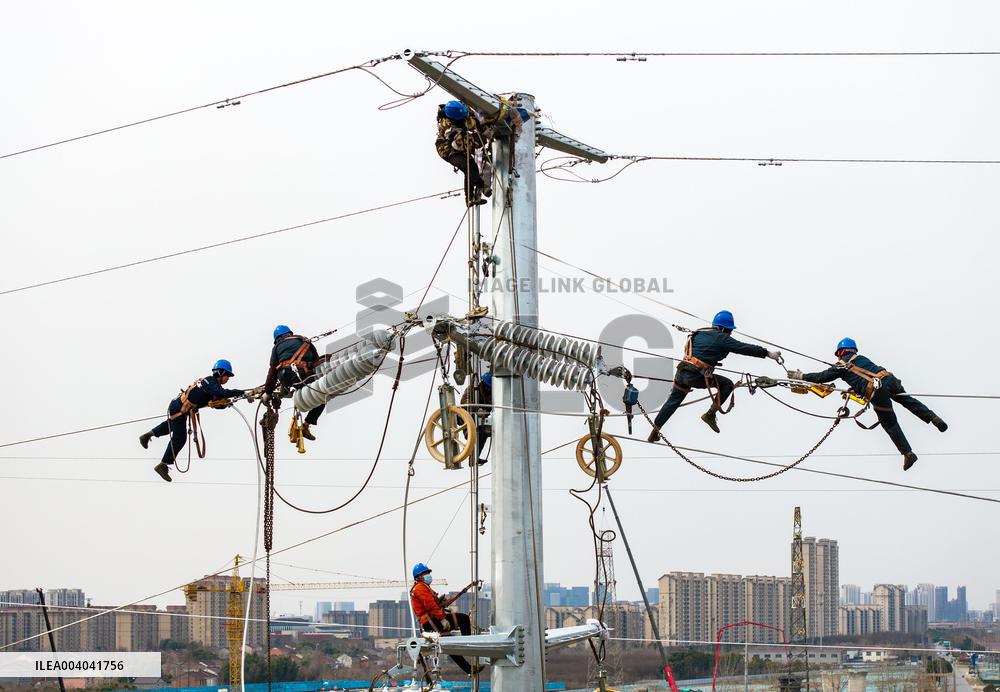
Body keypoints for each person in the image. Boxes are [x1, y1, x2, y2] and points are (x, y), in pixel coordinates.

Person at [789, 337, 947, 471]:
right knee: (908, 400)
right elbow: (861, 376)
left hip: (877, 390)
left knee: (889, 423)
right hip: (889, 379)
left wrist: (801, 376)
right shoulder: (862, 359)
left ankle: (907, 453)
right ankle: (933, 418)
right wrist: (856, 387)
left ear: (841, 352)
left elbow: (821, 377)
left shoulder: (841, 366)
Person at [648, 310, 782, 440]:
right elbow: (743, 347)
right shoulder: (722, 338)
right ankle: (710, 414)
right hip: (695, 376)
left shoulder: (699, 333)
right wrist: (767, 353)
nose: (730, 333)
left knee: (673, 402)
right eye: (730, 330)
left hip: (681, 372)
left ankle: (655, 430)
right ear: (724, 329)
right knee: (727, 384)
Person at [139, 359, 245, 482]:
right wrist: (239, 392)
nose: (228, 379)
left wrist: (226, 404)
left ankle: (147, 435)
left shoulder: (213, 386)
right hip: (179, 407)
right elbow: (221, 393)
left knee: (172, 426)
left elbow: (215, 403)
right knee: (180, 438)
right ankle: (163, 465)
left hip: (178, 407)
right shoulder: (209, 382)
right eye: (227, 376)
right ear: (220, 373)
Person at [409, 562, 478, 675]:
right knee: (464, 619)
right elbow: (430, 605)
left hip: (432, 620)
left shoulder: (424, 587)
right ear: (419, 576)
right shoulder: (420, 588)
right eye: (426, 573)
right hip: (432, 621)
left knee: (451, 642)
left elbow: (432, 604)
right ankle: (467, 645)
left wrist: (440, 603)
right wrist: (442, 619)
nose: (428, 575)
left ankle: (468, 667)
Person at [264, 325, 325, 440]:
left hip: (286, 377)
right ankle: (306, 425)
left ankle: (284, 388)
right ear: (290, 333)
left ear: (277, 339)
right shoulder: (305, 341)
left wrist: (268, 392)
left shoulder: (277, 347)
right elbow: (316, 362)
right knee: (321, 397)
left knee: (284, 375)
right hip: (306, 376)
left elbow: (272, 371)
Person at [435, 100, 494, 206]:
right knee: (467, 166)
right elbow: (469, 144)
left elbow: (472, 116)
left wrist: (482, 126)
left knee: (472, 167)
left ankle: (470, 199)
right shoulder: (449, 128)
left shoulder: (460, 107)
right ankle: (482, 186)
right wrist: (484, 136)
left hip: (459, 144)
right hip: (447, 149)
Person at [460, 372, 492, 463]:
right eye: (487, 386)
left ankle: (473, 458)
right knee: (477, 433)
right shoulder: (472, 389)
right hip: (467, 417)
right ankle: (473, 457)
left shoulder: (490, 394)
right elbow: (465, 402)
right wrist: (477, 410)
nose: (488, 389)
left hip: (481, 419)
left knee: (484, 433)